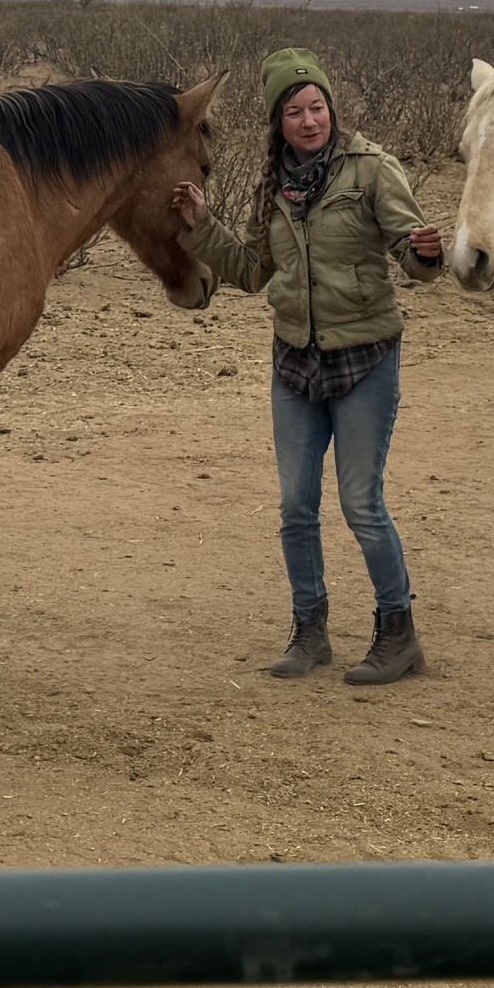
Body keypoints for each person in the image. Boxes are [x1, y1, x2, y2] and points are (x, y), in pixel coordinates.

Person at [171, 47, 442, 684]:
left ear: (330, 108)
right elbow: (250, 272)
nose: (309, 119)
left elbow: (411, 254)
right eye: (294, 111)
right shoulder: (273, 187)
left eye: (317, 106)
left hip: (365, 359)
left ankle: (398, 635)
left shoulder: (373, 169)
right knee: (295, 506)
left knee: (361, 504)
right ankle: (310, 631)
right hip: (295, 363)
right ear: (278, 122)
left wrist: (425, 254)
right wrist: (202, 228)